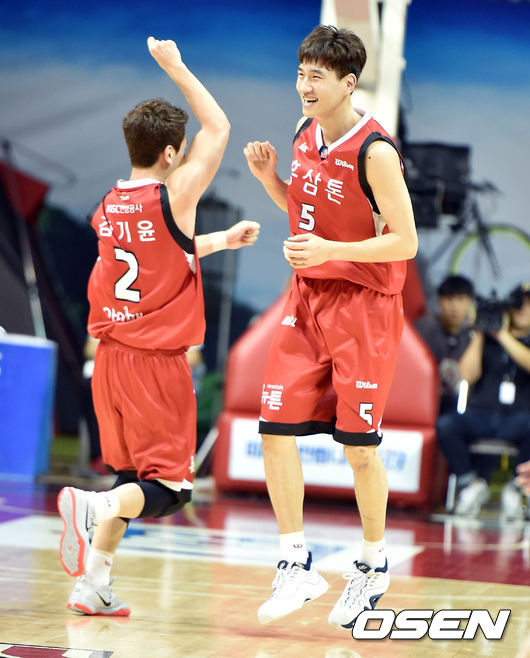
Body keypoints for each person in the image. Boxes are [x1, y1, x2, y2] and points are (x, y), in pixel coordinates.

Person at [57, 36, 260, 616]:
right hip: (154, 365)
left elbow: (157, 257)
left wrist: (218, 240)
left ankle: (93, 583)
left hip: (110, 361)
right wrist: (176, 67)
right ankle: (92, 508)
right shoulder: (174, 192)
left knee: (131, 478)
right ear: (171, 153)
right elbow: (218, 127)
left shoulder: (108, 205)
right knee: (169, 492)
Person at [243, 25, 417, 631]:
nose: (304, 86)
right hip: (307, 299)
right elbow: (305, 211)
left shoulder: (376, 152)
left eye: (316, 76)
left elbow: (405, 241)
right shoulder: (303, 132)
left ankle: (372, 563)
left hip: (364, 307)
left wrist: (330, 253)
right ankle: (295, 563)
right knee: (273, 429)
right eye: (300, 73)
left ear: (348, 83)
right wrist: (271, 182)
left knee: (359, 449)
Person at [436, 282, 530, 519]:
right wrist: (479, 334)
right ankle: (471, 483)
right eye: (520, 304)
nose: (523, 309)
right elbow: (466, 375)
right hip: (481, 413)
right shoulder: (485, 339)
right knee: (446, 425)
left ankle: (516, 487)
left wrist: (503, 335)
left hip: (518, 418)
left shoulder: (514, 339)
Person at [415, 274, 475, 414]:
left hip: (462, 408)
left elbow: (471, 376)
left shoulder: (473, 336)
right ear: (439, 302)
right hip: (424, 401)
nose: (455, 306)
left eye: (460, 299)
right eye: (449, 299)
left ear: (469, 303)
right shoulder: (424, 329)